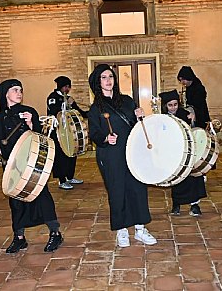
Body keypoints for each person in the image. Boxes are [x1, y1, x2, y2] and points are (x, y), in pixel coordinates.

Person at [0, 79, 63, 253]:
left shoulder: (29, 112)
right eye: (14, 90)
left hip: (33, 162)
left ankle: (55, 233)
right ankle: (19, 238)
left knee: (42, 196)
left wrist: (31, 124)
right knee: (16, 201)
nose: (19, 93)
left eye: (20, 90)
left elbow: (41, 137)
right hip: (12, 167)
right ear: (6, 94)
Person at [88, 64, 156, 248]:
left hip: (133, 151)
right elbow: (93, 133)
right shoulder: (95, 108)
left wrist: (140, 115)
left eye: (110, 76)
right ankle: (122, 230)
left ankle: (141, 229)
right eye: (103, 77)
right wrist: (105, 138)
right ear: (97, 82)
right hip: (111, 155)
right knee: (117, 191)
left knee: (138, 188)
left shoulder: (127, 101)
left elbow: (136, 124)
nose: (108, 80)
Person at [158, 89, 207, 217]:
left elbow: (195, 130)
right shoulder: (163, 118)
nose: (173, 108)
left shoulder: (185, 114)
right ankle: (177, 204)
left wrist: (192, 119)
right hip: (174, 153)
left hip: (189, 150)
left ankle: (195, 205)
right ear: (165, 106)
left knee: (193, 178)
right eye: (170, 105)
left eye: (175, 104)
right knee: (177, 178)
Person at [47, 76, 88, 190]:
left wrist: (91, 113)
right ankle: (62, 180)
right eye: (66, 86)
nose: (68, 89)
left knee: (72, 153)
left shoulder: (69, 98)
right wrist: (65, 103)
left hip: (68, 131)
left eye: (69, 87)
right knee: (61, 156)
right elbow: (55, 112)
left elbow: (79, 112)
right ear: (60, 86)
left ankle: (70, 177)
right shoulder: (53, 98)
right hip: (58, 132)